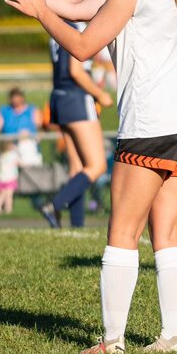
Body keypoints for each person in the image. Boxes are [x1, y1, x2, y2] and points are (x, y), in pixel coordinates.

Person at [0, 0, 177, 354]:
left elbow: (82, 45)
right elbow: (78, 9)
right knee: (168, 233)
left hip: (154, 125)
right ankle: (173, 337)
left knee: (123, 232)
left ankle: (112, 341)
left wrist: (38, 12)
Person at [39, 16, 112, 229]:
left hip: (58, 97)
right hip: (77, 98)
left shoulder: (58, 26)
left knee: (77, 167)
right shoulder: (79, 26)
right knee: (96, 166)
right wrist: (101, 94)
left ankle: (77, 225)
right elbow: (76, 70)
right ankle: (54, 204)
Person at [0, 140, 19, 214]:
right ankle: (8, 209)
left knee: (1, 195)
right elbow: (18, 162)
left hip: (1, 179)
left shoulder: (0, 156)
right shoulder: (12, 155)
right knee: (9, 196)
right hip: (10, 178)